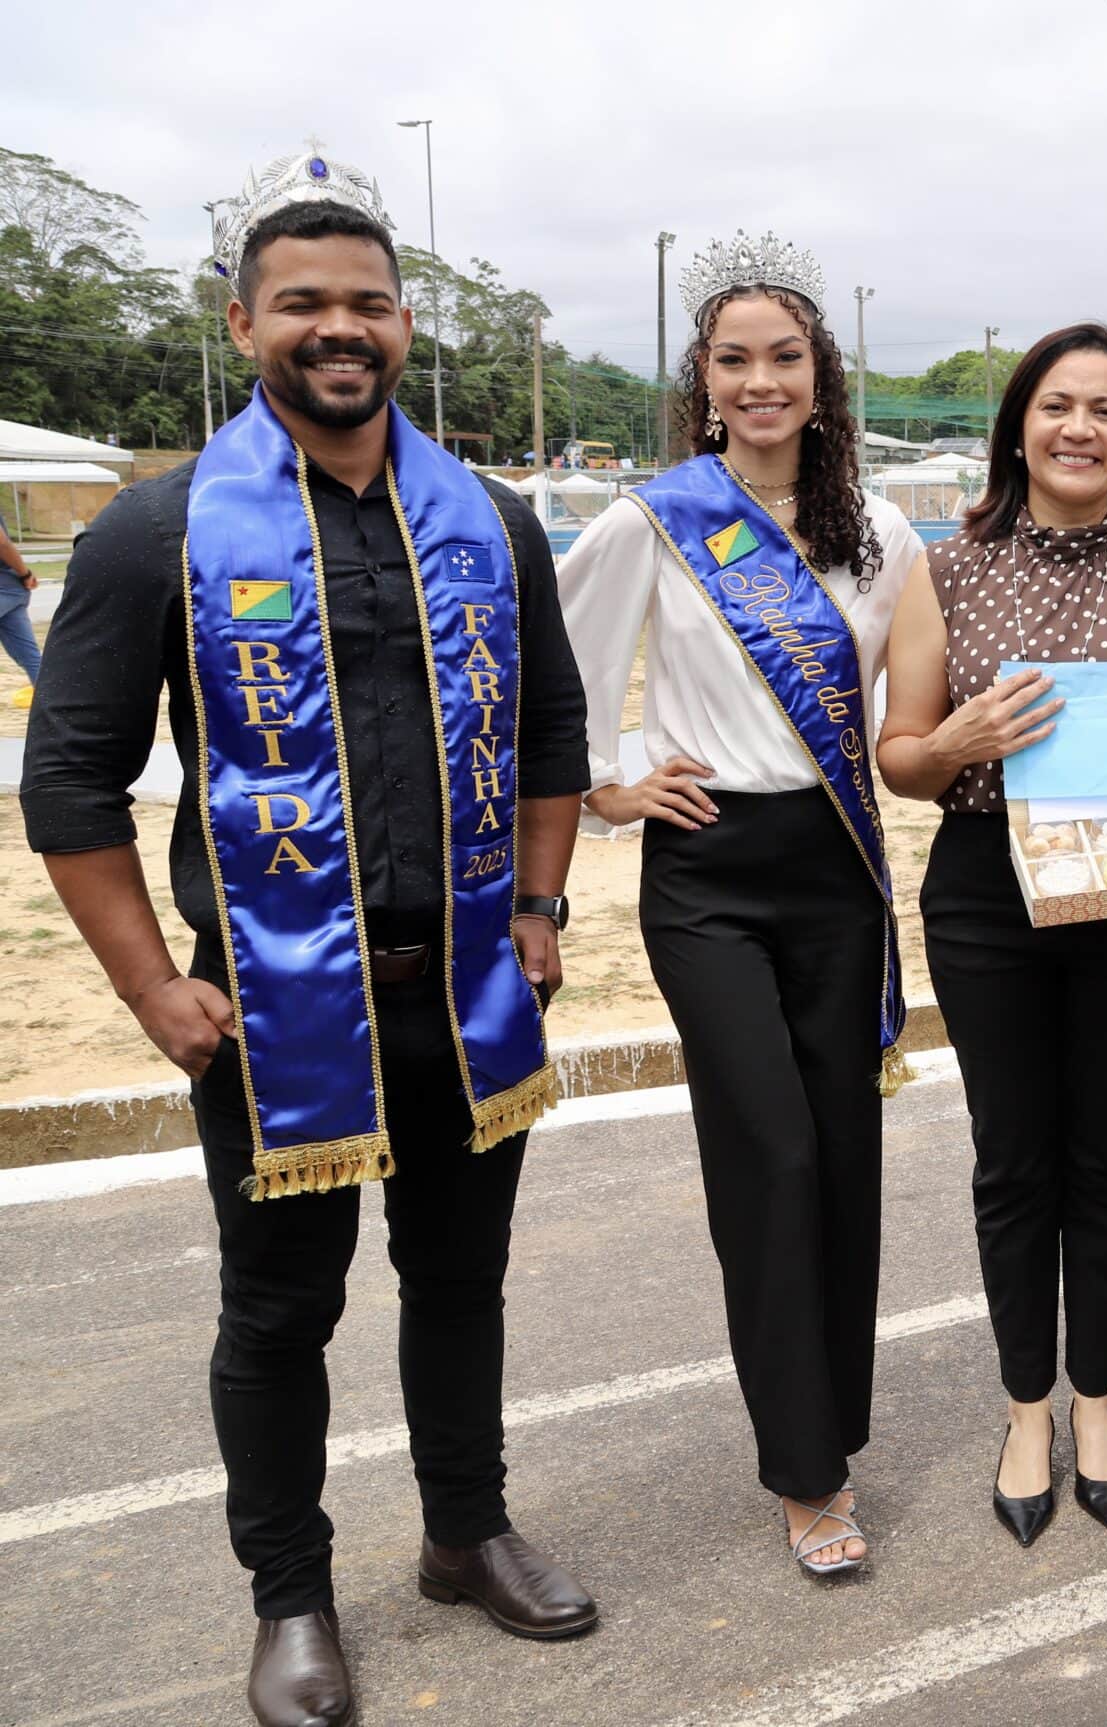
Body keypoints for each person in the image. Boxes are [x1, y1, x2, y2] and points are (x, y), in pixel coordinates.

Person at [18, 150, 596, 1727]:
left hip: (466, 990)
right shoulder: (156, 531)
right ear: (243, 322)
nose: (340, 328)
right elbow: (69, 779)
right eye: (302, 304)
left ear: (403, 323)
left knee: (460, 1280)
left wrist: (537, 905)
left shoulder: (490, 518)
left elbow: (552, 726)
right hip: (271, 1009)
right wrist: (153, 984)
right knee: (280, 1311)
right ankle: (290, 1594)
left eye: (368, 302)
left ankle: (465, 1531)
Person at [556, 232, 924, 1578]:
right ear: (702, 382)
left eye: (786, 357)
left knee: (841, 1152)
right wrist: (609, 789)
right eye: (734, 360)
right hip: (707, 872)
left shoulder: (883, 534)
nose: (761, 381)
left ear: (822, 380)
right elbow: (557, 668)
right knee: (769, 1151)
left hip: (834, 868)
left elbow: (906, 711)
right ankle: (805, 1469)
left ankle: (831, 1422)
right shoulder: (653, 520)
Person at [877, 322, 1107, 1548]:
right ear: (1018, 425)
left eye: (1105, 410)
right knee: (1012, 1157)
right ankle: (1026, 1405)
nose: (1079, 428)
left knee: (1106, 1153)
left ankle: (1096, 1398)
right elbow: (901, 757)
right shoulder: (945, 571)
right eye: (1056, 405)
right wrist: (956, 741)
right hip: (986, 886)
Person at [0, 510, 38, 690]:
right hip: (9, 586)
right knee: (31, 658)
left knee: (31, 658)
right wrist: (24, 573)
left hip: (7, 588)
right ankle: (51, 702)